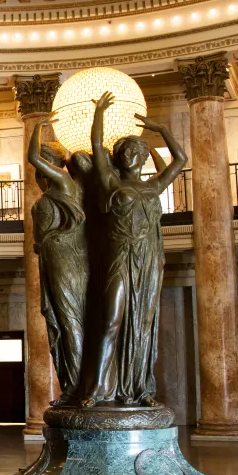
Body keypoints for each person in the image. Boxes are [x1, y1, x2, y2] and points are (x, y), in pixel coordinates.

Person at [81, 91, 188, 407]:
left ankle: (140, 389)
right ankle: (97, 389)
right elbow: (97, 146)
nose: (129, 155)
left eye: (135, 151)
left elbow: (180, 160)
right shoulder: (111, 184)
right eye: (124, 151)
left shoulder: (154, 186)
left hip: (148, 258)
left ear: (143, 158)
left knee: (141, 325)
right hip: (121, 256)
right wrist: (99, 112)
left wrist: (161, 130)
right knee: (111, 322)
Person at [26, 115, 89, 401]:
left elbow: (32, 158)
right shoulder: (51, 192)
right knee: (56, 318)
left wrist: (38, 129)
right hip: (51, 257)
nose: (38, 170)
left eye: (44, 162)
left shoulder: (65, 182)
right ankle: (69, 383)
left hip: (66, 256)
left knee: (68, 317)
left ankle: (78, 384)